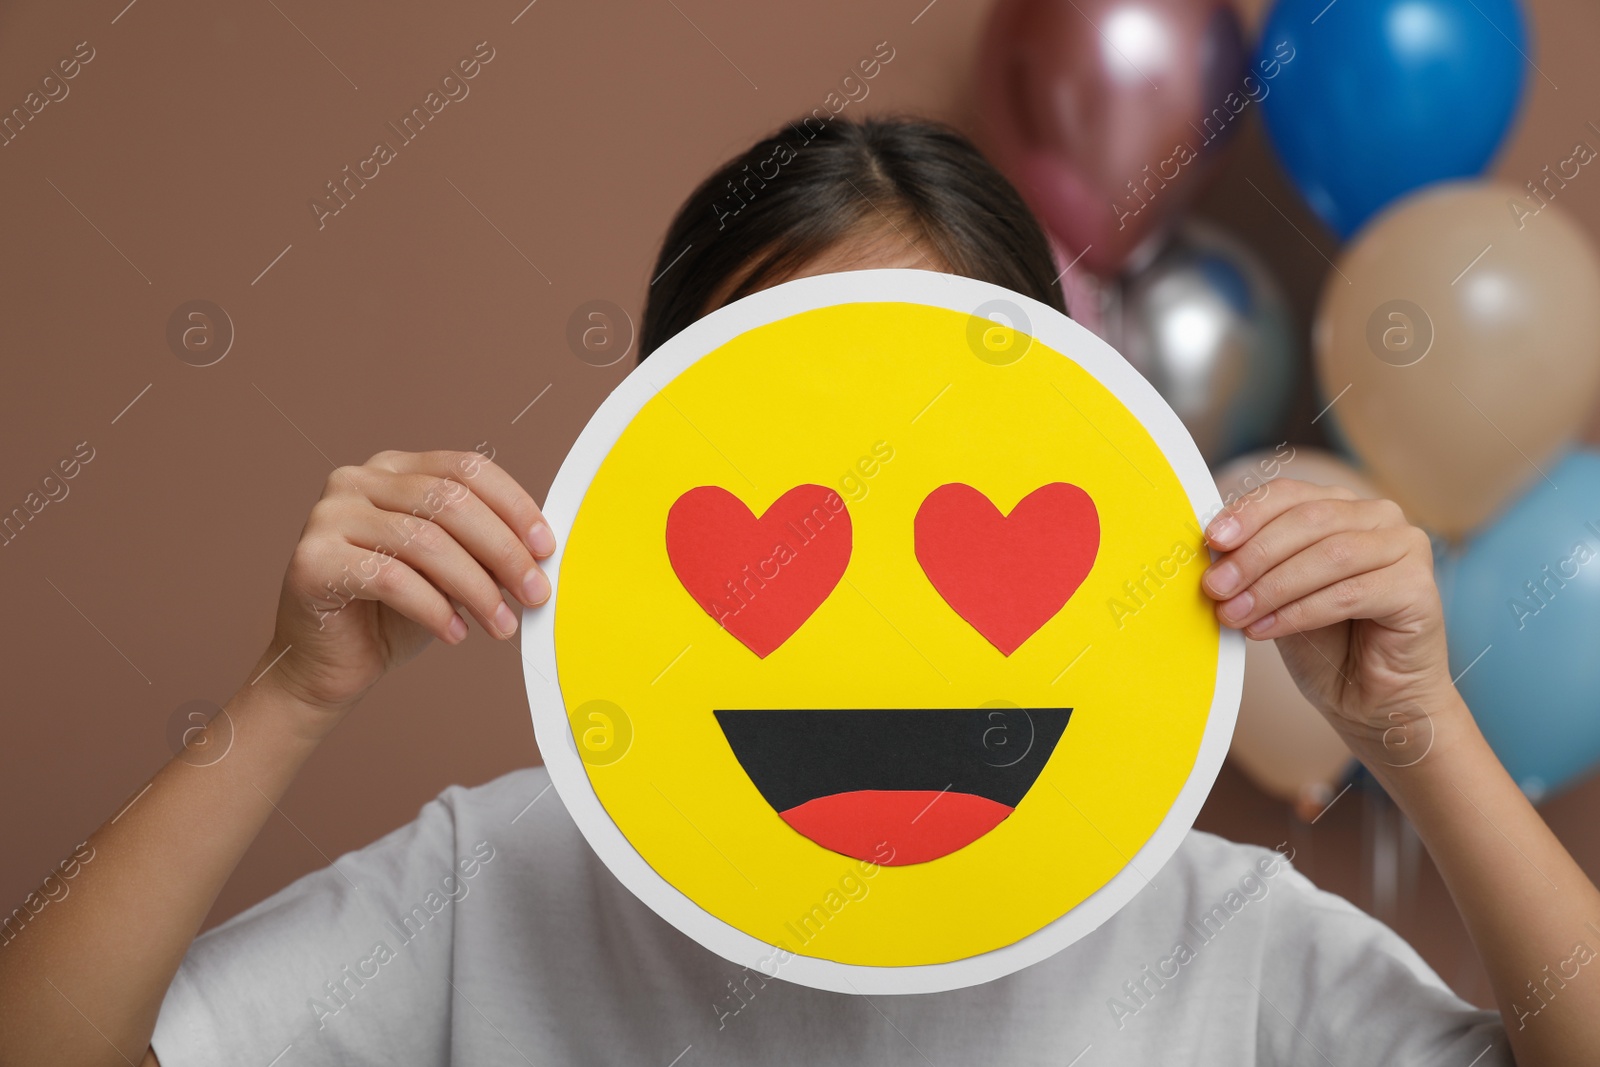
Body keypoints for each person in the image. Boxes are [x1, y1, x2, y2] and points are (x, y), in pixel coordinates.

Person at [2, 116, 1597, 1067]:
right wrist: (288, 697)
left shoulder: (1215, 929)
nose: (871, 559)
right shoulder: (494, 884)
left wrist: (1419, 726)